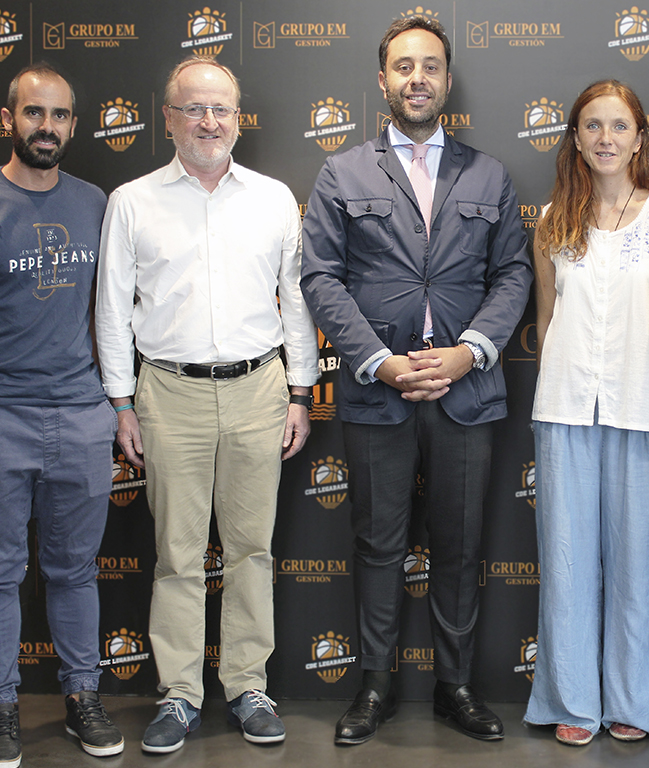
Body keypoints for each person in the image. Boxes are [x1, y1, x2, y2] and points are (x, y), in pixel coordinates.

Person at [300, 15, 532, 746]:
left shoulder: (488, 174)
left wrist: (469, 352)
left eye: (430, 66)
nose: (417, 79)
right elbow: (321, 278)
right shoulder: (342, 172)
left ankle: (455, 687)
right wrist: (381, 361)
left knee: (461, 546)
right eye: (403, 67)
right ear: (382, 80)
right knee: (377, 545)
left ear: (447, 79)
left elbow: (514, 274)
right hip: (379, 391)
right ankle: (373, 686)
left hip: (466, 392)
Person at [94, 56, 318, 753]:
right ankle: (180, 693)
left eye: (221, 109)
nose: (209, 122)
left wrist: (302, 391)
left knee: (252, 549)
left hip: (259, 388)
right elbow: (112, 309)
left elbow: (299, 304)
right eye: (194, 108)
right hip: (168, 392)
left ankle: (248, 683)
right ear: (168, 118)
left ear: (238, 118)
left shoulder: (275, 198)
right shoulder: (132, 200)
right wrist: (122, 402)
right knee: (177, 555)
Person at [522, 80, 649, 747]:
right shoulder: (552, 219)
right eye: (592, 127)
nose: (605, 139)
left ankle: (628, 701)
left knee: (633, 565)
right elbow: (546, 320)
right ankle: (571, 698)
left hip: (644, 411)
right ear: (575, 139)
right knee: (564, 560)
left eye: (618, 126)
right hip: (564, 409)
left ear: (640, 137)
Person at [0, 62, 124, 767]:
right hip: (4, 416)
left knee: (75, 571)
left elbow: (113, 313)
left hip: (81, 415)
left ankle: (82, 697)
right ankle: (4, 704)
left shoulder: (96, 203)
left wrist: (115, 405)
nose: (46, 127)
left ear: (75, 125)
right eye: (33, 113)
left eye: (59, 116)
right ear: (9, 119)